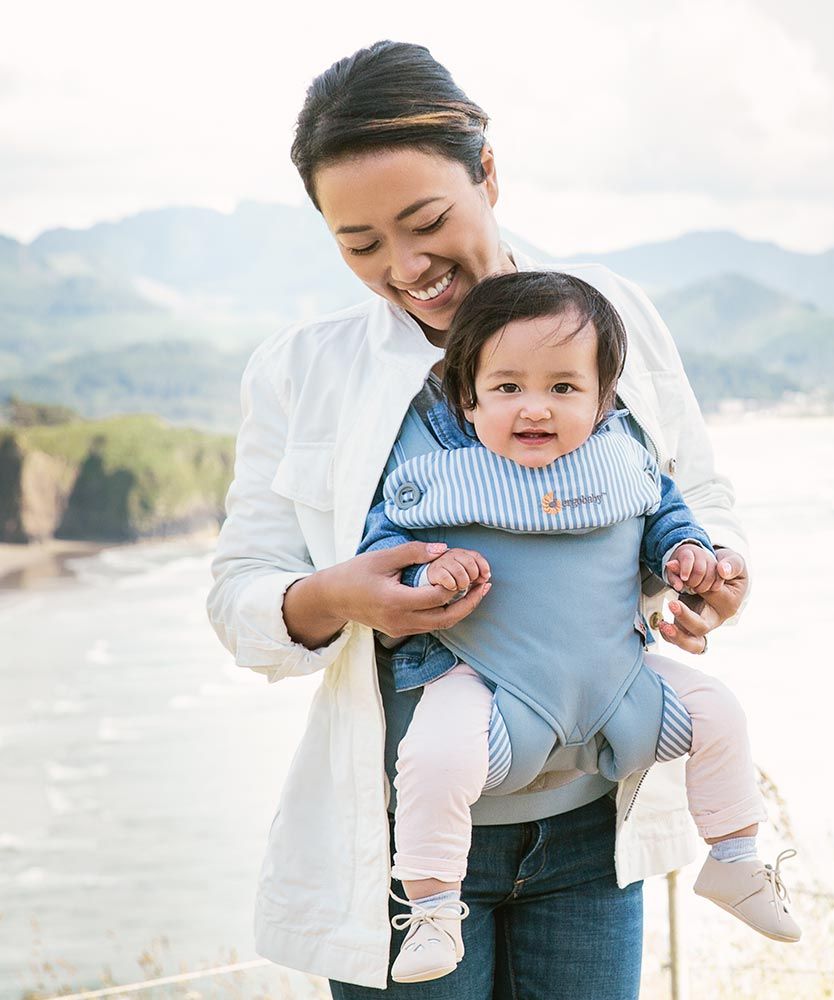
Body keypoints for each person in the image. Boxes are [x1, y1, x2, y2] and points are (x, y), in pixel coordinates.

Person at [207, 40, 756, 998]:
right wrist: (334, 595)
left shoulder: (611, 311)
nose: (407, 267)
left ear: (489, 174)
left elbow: (694, 494)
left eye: (426, 222)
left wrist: (713, 574)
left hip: (592, 834)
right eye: (361, 244)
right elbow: (240, 594)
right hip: (403, 851)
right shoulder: (301, 370)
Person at [358, 270, 798, 983]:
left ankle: (737, 857)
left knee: (719, 711)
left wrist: (689, 554)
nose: (535, 408)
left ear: (603, 401)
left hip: (619, 684)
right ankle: (433, 906)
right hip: (490, 688)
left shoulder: (622, 461)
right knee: (432, 756)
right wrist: (423, 577)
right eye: (507, 389)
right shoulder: (434, 479)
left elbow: (669, 517)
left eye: (564, 388)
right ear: (468, 400)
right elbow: (381, 556)